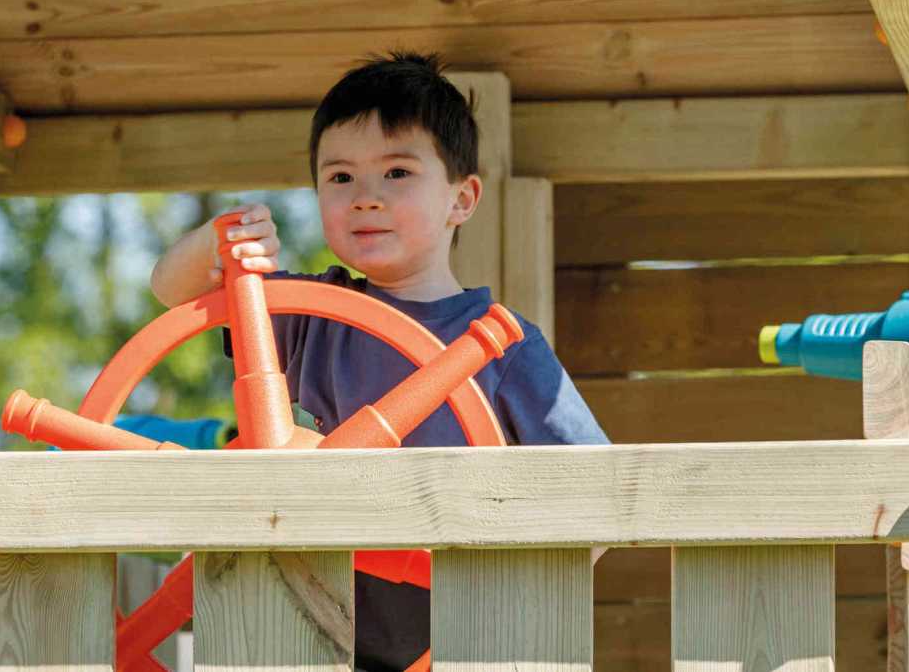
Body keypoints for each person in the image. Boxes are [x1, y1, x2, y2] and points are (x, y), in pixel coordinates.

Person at [150, 50, 609, 672]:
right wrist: (217, 242)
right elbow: (173, 293)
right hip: (297, 633)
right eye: (340, 178)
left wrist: (514, 601)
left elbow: (599, 497)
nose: (365, 197)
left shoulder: (507, 346)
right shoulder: (306, 314)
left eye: (397, 172)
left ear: (462, 199)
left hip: (455, 644)